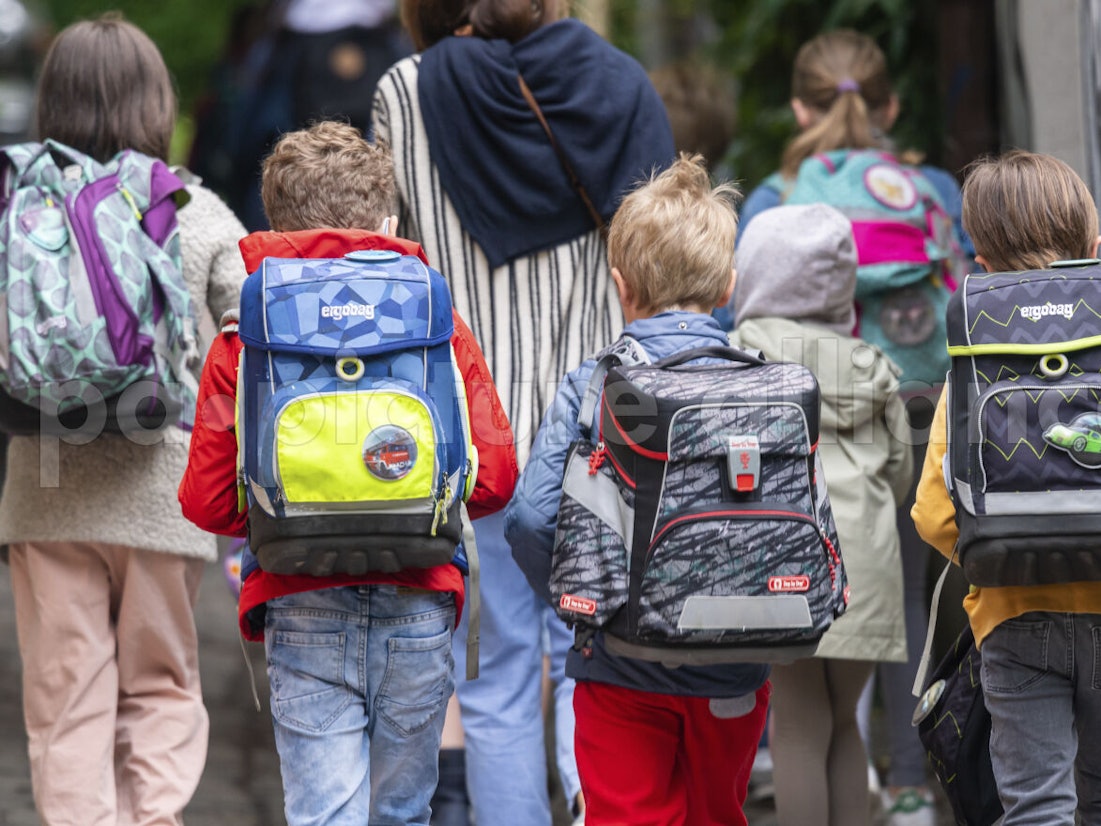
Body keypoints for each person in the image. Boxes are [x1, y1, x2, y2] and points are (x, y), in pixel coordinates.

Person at [372, 2, 675, 823]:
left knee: (496, 677)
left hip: (474, 436)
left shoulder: (404, 91)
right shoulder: (620, 85)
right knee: (600, 662)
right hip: (601, 432)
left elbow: (388, 254)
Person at [178, 120, 518, 825]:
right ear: (387, 221)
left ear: (277, 222)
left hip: (301, 601)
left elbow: (207, 500)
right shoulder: (435, 319)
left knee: (324, 815)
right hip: (419, 599)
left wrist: (288, 503)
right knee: (402, 813)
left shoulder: (250, 331)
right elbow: (493, 480)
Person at [0, 15, 248, 825]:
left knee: (65, 698)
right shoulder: (195, 210)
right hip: (165, 490)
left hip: (44, 488)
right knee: (162, 685)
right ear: (156, 104)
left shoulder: (13, 213)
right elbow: (258, 338)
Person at [734, 30, 972, 823]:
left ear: (799, 105)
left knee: (802, 705)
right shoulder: (930, 184)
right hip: (912, 408)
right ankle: (910, 780)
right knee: (913, 595)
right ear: (890, 105)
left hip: (795, 443)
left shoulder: (776, 197)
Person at [505, 154, 770, 825]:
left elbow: (531, 522)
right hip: (732, 663)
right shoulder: (769, 386)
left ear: (620, 287)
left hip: (619, 665)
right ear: (727, 287)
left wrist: (585, 606)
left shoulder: (594, 385)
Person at [911, 149, 1101, 825]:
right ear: (1093, 243)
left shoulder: (977, 349)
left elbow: (935, 512)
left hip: (1013, 615)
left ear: (980, 263)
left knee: (1036, 809)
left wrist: (1007, 553)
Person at [729, 203, 912, 826]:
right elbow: (898, 474)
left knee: (799, 723)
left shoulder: (742, 355)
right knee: (843, 722)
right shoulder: (873, 368)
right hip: (863, 568)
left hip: (783, 561)